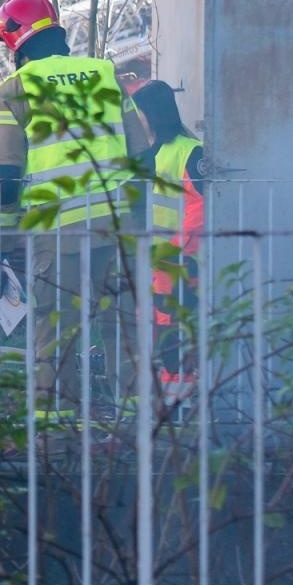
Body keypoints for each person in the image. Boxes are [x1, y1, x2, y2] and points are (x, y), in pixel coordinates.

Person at [0, 0, 145, 405]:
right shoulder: (104, 74)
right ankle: (137, 413)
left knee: (55, 327)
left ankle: (56, 418)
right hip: (118, 226)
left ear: (17, 39)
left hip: (57, 232)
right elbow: (142, 155)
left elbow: (5, 175)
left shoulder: (16, 88)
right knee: (123, 324)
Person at [129, 79, 204, 389]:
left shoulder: (189, 151)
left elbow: (199, 208)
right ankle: (168, 394)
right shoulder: (149, 154)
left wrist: (178, 252)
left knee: (176, 333)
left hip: (180, 261)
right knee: (160, 332)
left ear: (151, 114)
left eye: (138, 114)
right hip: (156, 263)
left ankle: (180, 397)